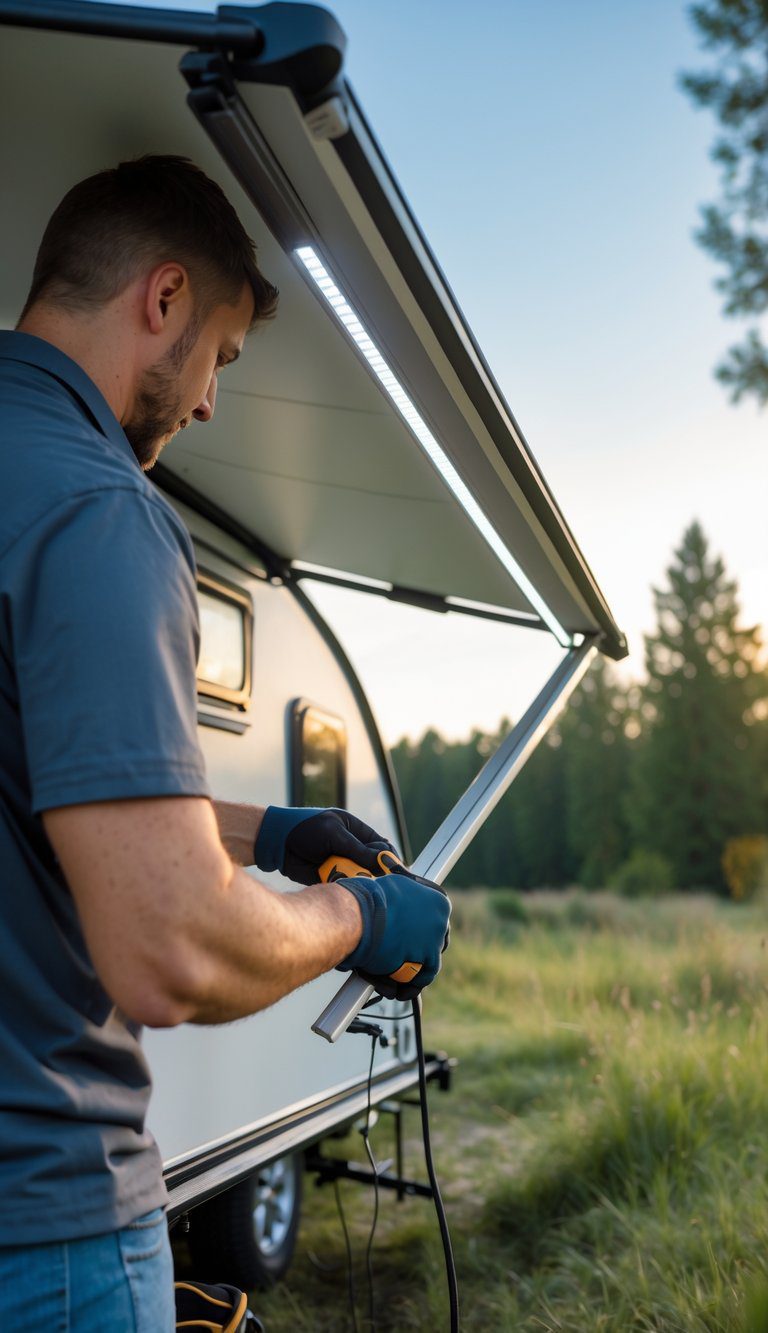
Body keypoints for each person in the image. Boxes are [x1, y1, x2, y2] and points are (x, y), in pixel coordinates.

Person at [0, 155, 451, 1332]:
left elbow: (43, 783)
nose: (208, 403)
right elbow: (173, 950)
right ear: (163, 300)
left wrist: (272, 830)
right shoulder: (96, 504)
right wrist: (366, 918)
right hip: (41, 1230)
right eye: (223, 359)